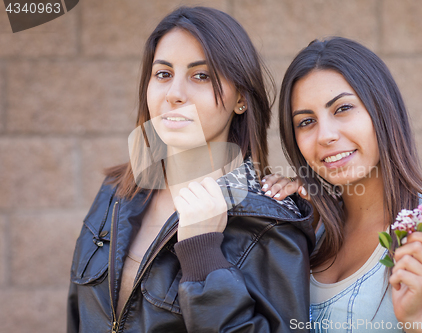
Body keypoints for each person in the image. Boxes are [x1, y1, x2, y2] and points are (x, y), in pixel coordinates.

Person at [67, 6, 315, 333]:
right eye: (163, 74)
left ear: (241, 97)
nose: (175, 94)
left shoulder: (269, 224)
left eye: (201, 75)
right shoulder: (116, 193)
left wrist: (203, 257)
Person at [262, 37, 422, 332]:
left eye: (342, 108)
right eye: (306, 122)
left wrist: (415, 320)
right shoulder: (314, 228)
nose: (325, 135)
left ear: (382, 110)